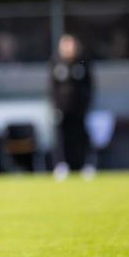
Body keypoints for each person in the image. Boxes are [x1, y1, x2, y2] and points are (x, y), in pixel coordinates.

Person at [50, 33, 94, 180]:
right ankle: (61, 164)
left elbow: (90, 86)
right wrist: (55, 107)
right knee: (62, 138)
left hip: (79, 108)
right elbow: (52, 88)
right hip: (62, 109)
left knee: (80, 136)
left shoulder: (83, 63)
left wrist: (86, 105)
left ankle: (82, 165)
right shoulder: (56, 63)